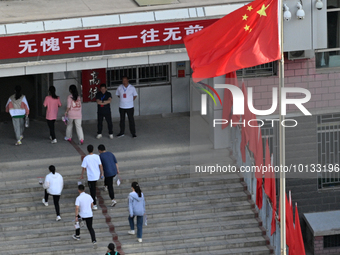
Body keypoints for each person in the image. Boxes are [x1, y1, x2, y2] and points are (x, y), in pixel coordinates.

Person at [73, 184, 97, 249]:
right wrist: (90, 209)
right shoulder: (89, 196)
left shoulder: (78, 198)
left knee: (78, 224)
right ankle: (94, 240)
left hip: (82, 214)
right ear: (84, 189)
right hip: (89, 214)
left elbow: (77, 208)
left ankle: (77, 235)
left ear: (78, 190)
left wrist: (76, 216)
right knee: (90, 228)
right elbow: (92, 204)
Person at [81, 144, 104, 210]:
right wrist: (102, 173)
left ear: (87, 150)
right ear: (93, 149)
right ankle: (94, 199)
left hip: (91, 177)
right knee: (94, 187)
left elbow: (84, 168)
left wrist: (82, 175)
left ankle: (94, 204)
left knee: (92, 190)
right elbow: (100, 165)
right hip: (97, 175)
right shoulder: (97, 156)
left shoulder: (86, 158)